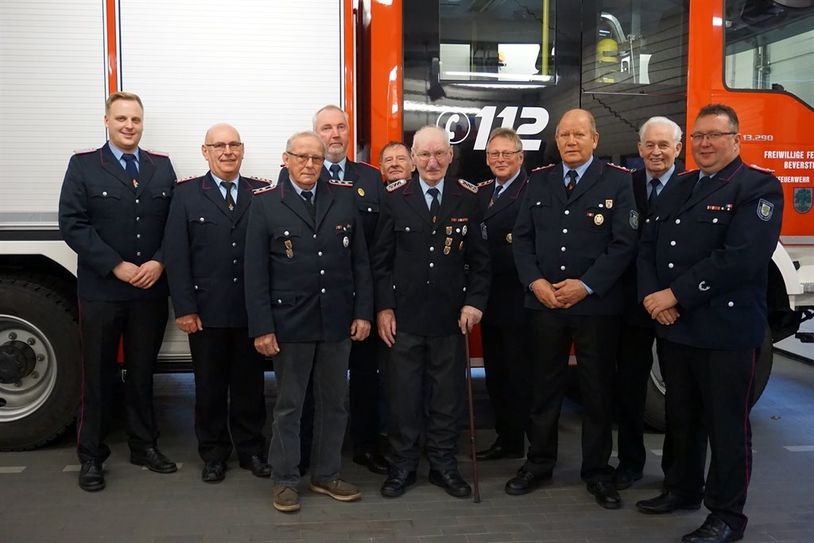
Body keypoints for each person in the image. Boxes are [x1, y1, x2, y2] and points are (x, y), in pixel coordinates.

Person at [636, 103, 783, 543]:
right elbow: (648, 246)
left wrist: (674, 295)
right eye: (699, 135)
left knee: (726, 427)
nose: (705, 143)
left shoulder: (757, 187)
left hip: (726, 332)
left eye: (715, 135)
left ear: (736, 140)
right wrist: (652, 298)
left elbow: (739, 259)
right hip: (677, 328)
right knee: (681, 417)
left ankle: (726, 516)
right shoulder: (678, 187)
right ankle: (681, 489)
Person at [509, 108, 638, 509]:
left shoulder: (618, 182)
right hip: (545, 304)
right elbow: (522, 239)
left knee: (596, 392)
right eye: (564, 135)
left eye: (579, 135)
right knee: (543, 387)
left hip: (594, 307)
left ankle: (598, 471)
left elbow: (624, 243)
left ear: (595, 140)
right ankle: (539, 462)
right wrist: (536, 282)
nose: (570, 141)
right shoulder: (539, 180)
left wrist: (585, 285)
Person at [244, 131, 373, 513]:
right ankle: (284, 480)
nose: (309, 165)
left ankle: (326, 473)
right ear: (286, 159)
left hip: (336, 320)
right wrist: (262, 327)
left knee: (335, 403)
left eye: (316, 159)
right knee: (289, 406)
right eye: (301, 157)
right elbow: (256, 274)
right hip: (290, 323)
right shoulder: (266, 204)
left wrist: (363, 311)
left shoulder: (344, 198)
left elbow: (360, 262)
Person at [59, 91, 177, 492]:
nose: (129, 126)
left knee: (143, 373)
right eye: (122, 118)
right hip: (103, 290)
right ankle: (91, 456)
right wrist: (116, 265)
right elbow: (72, 224)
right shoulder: (84, 166)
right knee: (97, 375)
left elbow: (174, 225)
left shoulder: (161, 168)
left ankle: (144, 445)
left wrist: (159, 261)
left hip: (149, 290)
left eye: (136, 120)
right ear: (107, 121)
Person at [371, 125, 490, 499]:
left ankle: (443, 465)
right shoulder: (393, 197)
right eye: (424, 155)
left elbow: (481, 262)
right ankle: (403, 466)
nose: (432, 161)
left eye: (439, 154)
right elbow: (380, 261)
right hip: (404, 317)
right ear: (412, 158)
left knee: (447, 396)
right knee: (403, 396)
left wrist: (474, 302)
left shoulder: (469, 198)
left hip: (449, 318)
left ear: (450, 156)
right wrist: (384, 307)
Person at [284, 105, 388, 475]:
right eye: (326, 128)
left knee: (363, 379)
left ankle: (365, 447)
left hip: (356, 300)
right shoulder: (293, 177)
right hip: (309, 306)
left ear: (349, 132)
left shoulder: (371, 179)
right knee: (310, 386)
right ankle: (307, 452)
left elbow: (375, 250)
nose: (334, 134)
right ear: (315, 133)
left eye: (341, 127)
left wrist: (371, 305)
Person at [163, 123, 269, 484]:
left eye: (234, 144)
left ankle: (252, 450)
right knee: (208, 387)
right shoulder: (188, 194)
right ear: (205, 151)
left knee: (250, 386)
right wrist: (186, 308)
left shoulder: (260, 192)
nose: (228, 151)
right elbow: (177, 257)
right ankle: (213, 453)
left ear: (242, 149)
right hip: (206, 313)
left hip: (249, 311)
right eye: (219, 145)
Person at [613, 116, 685, 490]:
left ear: (678, 148)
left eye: (664, 145)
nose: (656, 152)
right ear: (639, 149)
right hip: (633, 304)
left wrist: (670, 297)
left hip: (677, 307)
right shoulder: (626, 184)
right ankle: (629, 464)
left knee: (680, 394)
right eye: (649, 145)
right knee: (630, 389)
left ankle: (677, 473)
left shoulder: (692, 187)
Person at [473, 128, 532, 461]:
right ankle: (506, 439)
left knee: (520, 372)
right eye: (494, 154)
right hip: (489, 296)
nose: (500, 160)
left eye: (507, 154)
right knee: (495, 371)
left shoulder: (532, 191)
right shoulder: (481, 193)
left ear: (520, 157)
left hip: (519, 296)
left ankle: (527, 442)